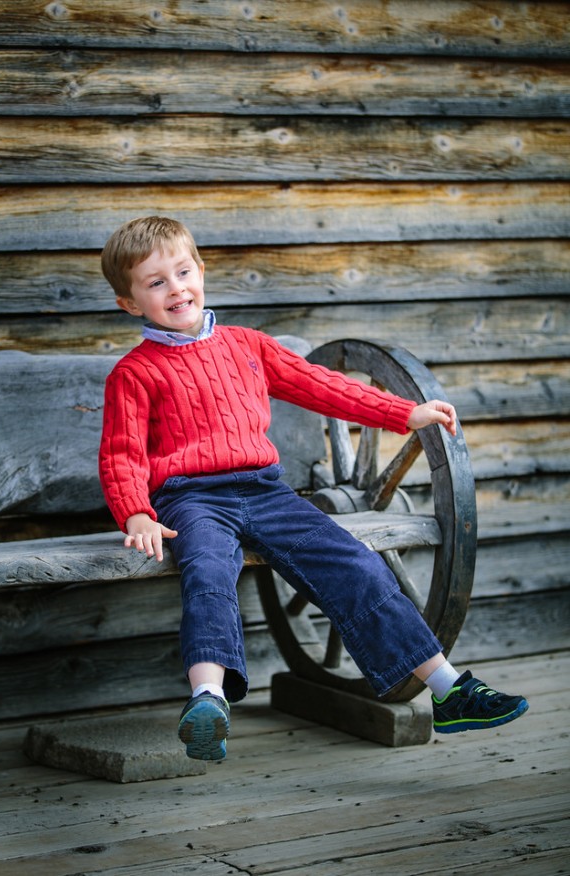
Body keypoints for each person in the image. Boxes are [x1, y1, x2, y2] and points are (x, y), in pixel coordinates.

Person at [99, 216, 528, 761]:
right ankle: (207, 699)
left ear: (201, 272)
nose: (176, 288)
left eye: (183, 273)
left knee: (355, 563)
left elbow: (323, 387)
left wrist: (403, 412)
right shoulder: (134, 373)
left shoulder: (248, 346)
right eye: (156, 282)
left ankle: (449, 689)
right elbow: (121, 453)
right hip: (191, 499)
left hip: (265, 493)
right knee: (207, 572)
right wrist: (136, 512)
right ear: (130, 303)